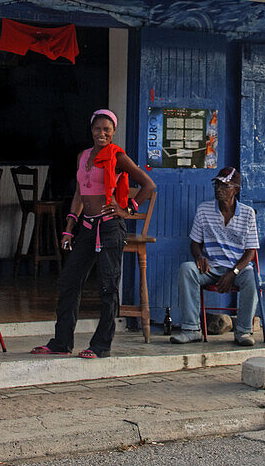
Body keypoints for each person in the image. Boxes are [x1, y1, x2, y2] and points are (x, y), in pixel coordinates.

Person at [31, 109, 156, 358]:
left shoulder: (117, 156)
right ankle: (61, 342)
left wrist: (127, 209)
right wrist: (69, 228)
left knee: (108, 288)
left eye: (107, 130)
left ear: (113, 132)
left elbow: (148, 185)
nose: (102, 133)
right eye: (98, 129)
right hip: (87, 227)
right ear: (91, 130)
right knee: (69, 281)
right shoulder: (84, 156)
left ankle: (100, 346)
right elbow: (80, 193)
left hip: (110, 227)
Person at [170, 166, 259, 347]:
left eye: (225, 186)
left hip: (237, 269)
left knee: (253, 277)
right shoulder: (204, 210)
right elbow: (195, 242)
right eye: (217, 185)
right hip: (211, 267)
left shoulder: (248, 213)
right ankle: (191, 329)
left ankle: (243, 331)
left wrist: (233, 272)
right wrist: (198, 256)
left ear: (236, 190)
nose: (219, 189)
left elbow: (251, 251)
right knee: (187, 269)